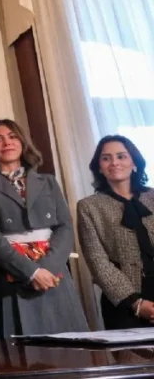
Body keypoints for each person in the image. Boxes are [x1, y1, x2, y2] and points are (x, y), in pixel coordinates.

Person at [0, 119, 88, 339]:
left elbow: (64, 227)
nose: (6, 142)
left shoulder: (48, 182)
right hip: (11, 272)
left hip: (53, 271)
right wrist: (31, 272)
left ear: (22, 143)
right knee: (22, 354)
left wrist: (47, 269)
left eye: (12, 136)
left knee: (70, 346)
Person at [77, 135, 154, 329]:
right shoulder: (88, 207)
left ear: (134, 163)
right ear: (99, 168)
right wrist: (136, 304)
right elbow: (98, 262)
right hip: (124, 304)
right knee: (133, 359)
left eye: (121, 156)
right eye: (106, 158)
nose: (114, 163)